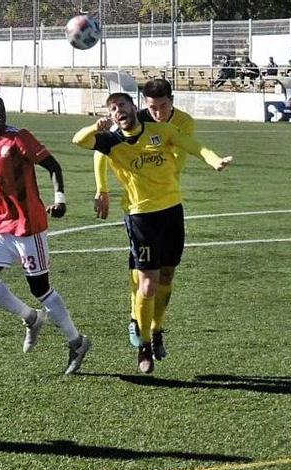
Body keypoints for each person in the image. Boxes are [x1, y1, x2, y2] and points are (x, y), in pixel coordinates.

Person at [72, 92, 232, 373]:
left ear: (134, 107)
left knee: (168, 274)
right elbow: (80, 141)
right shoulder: (111, 141)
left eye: (122, 104)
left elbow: (193, 145)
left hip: (172, 211)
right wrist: (93, 129)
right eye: (112, 108)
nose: (118, 110)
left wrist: (214, 160)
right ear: (110, 116)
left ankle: (156, 330)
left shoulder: (162, 131)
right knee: (148, 284)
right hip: (141, 217)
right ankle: (144, 345)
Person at [0, 95, 90, 375]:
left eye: (1, 109)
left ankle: (77, 341)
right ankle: (31, 318)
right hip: (1, 226)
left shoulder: (19, 138)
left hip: (28, 226)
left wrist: (59, 199)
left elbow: (53, 166)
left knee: (41, 289)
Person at [93, 79, 194, 353]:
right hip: (137, 208)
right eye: (152, 107)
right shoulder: (131, 119)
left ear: (172, 101)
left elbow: (181, 153)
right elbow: (102, 150)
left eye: (163, 107)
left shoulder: (184, 122)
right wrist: (102, 189)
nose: (157, 113)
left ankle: (155, 327)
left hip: (169, 204)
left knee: (166, 274)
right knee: (142, 275)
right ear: (142, 104)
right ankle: (136, 320)